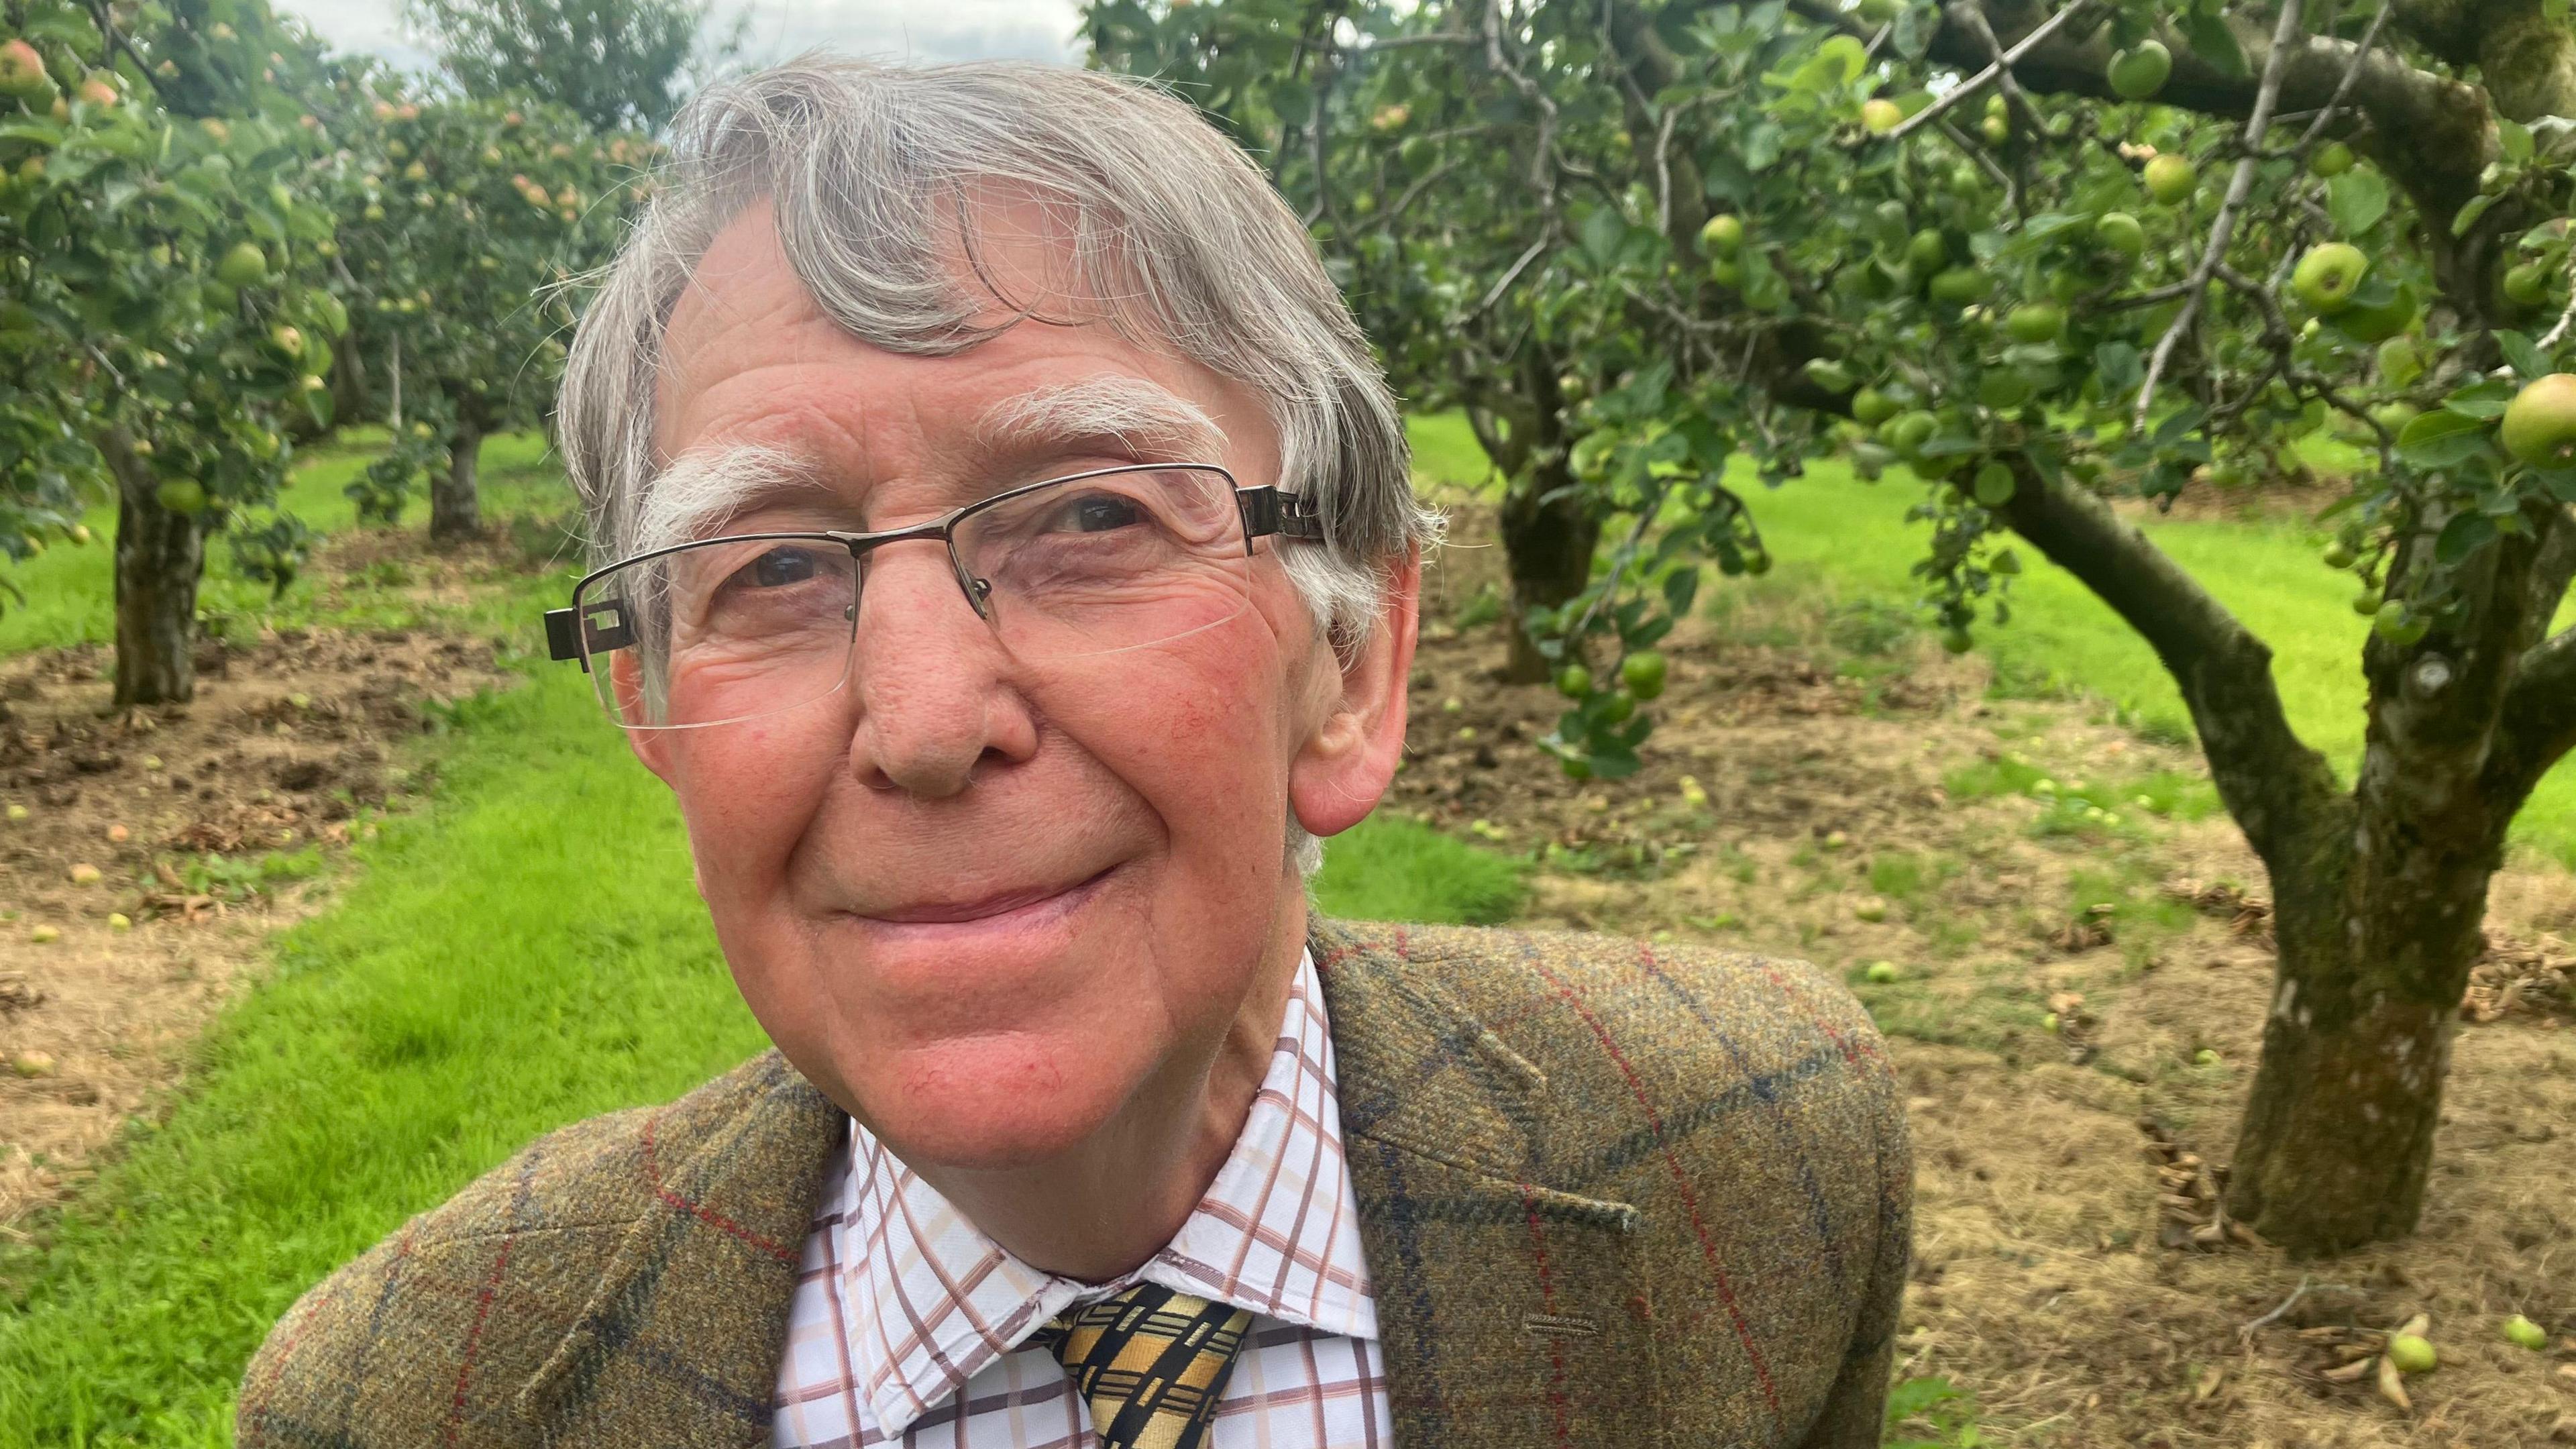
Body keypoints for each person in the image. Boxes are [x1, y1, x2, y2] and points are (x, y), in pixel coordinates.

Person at [237, 56, 1910, 1449]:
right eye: (773, 567)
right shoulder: (403, 1402)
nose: (926, 720)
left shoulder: (1760, 1163)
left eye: (1095, 517)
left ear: (1351, 661)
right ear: (656, 718)